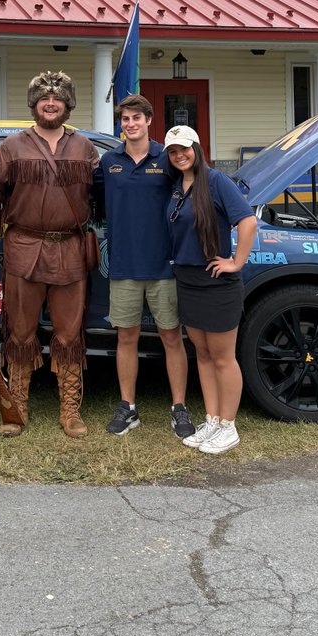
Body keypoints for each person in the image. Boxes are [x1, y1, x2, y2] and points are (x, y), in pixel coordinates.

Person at [0, 70, 99, 439]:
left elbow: (104, 194)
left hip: (70, 249)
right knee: (20, 332)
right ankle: (16, 406)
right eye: (43, 99)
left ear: (67, 105)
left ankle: (70, 409)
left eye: (57, 99)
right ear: (34, 105)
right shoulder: (13, 146)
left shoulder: (85, 148)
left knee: (69, 334)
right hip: (23, 247)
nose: (50, 103)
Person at [101, 95, 194, 439]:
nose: (130, 124)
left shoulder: (167, 158)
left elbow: (190, 193)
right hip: (124, 266)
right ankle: (128, 407)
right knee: (127, 337)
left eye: (136, 118)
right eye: (125, 119)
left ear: (149, 120)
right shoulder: (109, 161)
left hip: (163, 265)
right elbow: (95, 202)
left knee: (171, 337)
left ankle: (179, 407)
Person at [163, 124, 257, 455]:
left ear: (198, 149)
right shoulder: (177, 186)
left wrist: (236, 261)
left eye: (184, 149)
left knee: (222, 357)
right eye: (173, 152)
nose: (179, 156)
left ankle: (229, 426)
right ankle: (213, 419)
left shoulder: (216, 181)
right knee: (202, 354)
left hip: (216, 282)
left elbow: (247, 220)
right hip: (187, 280)